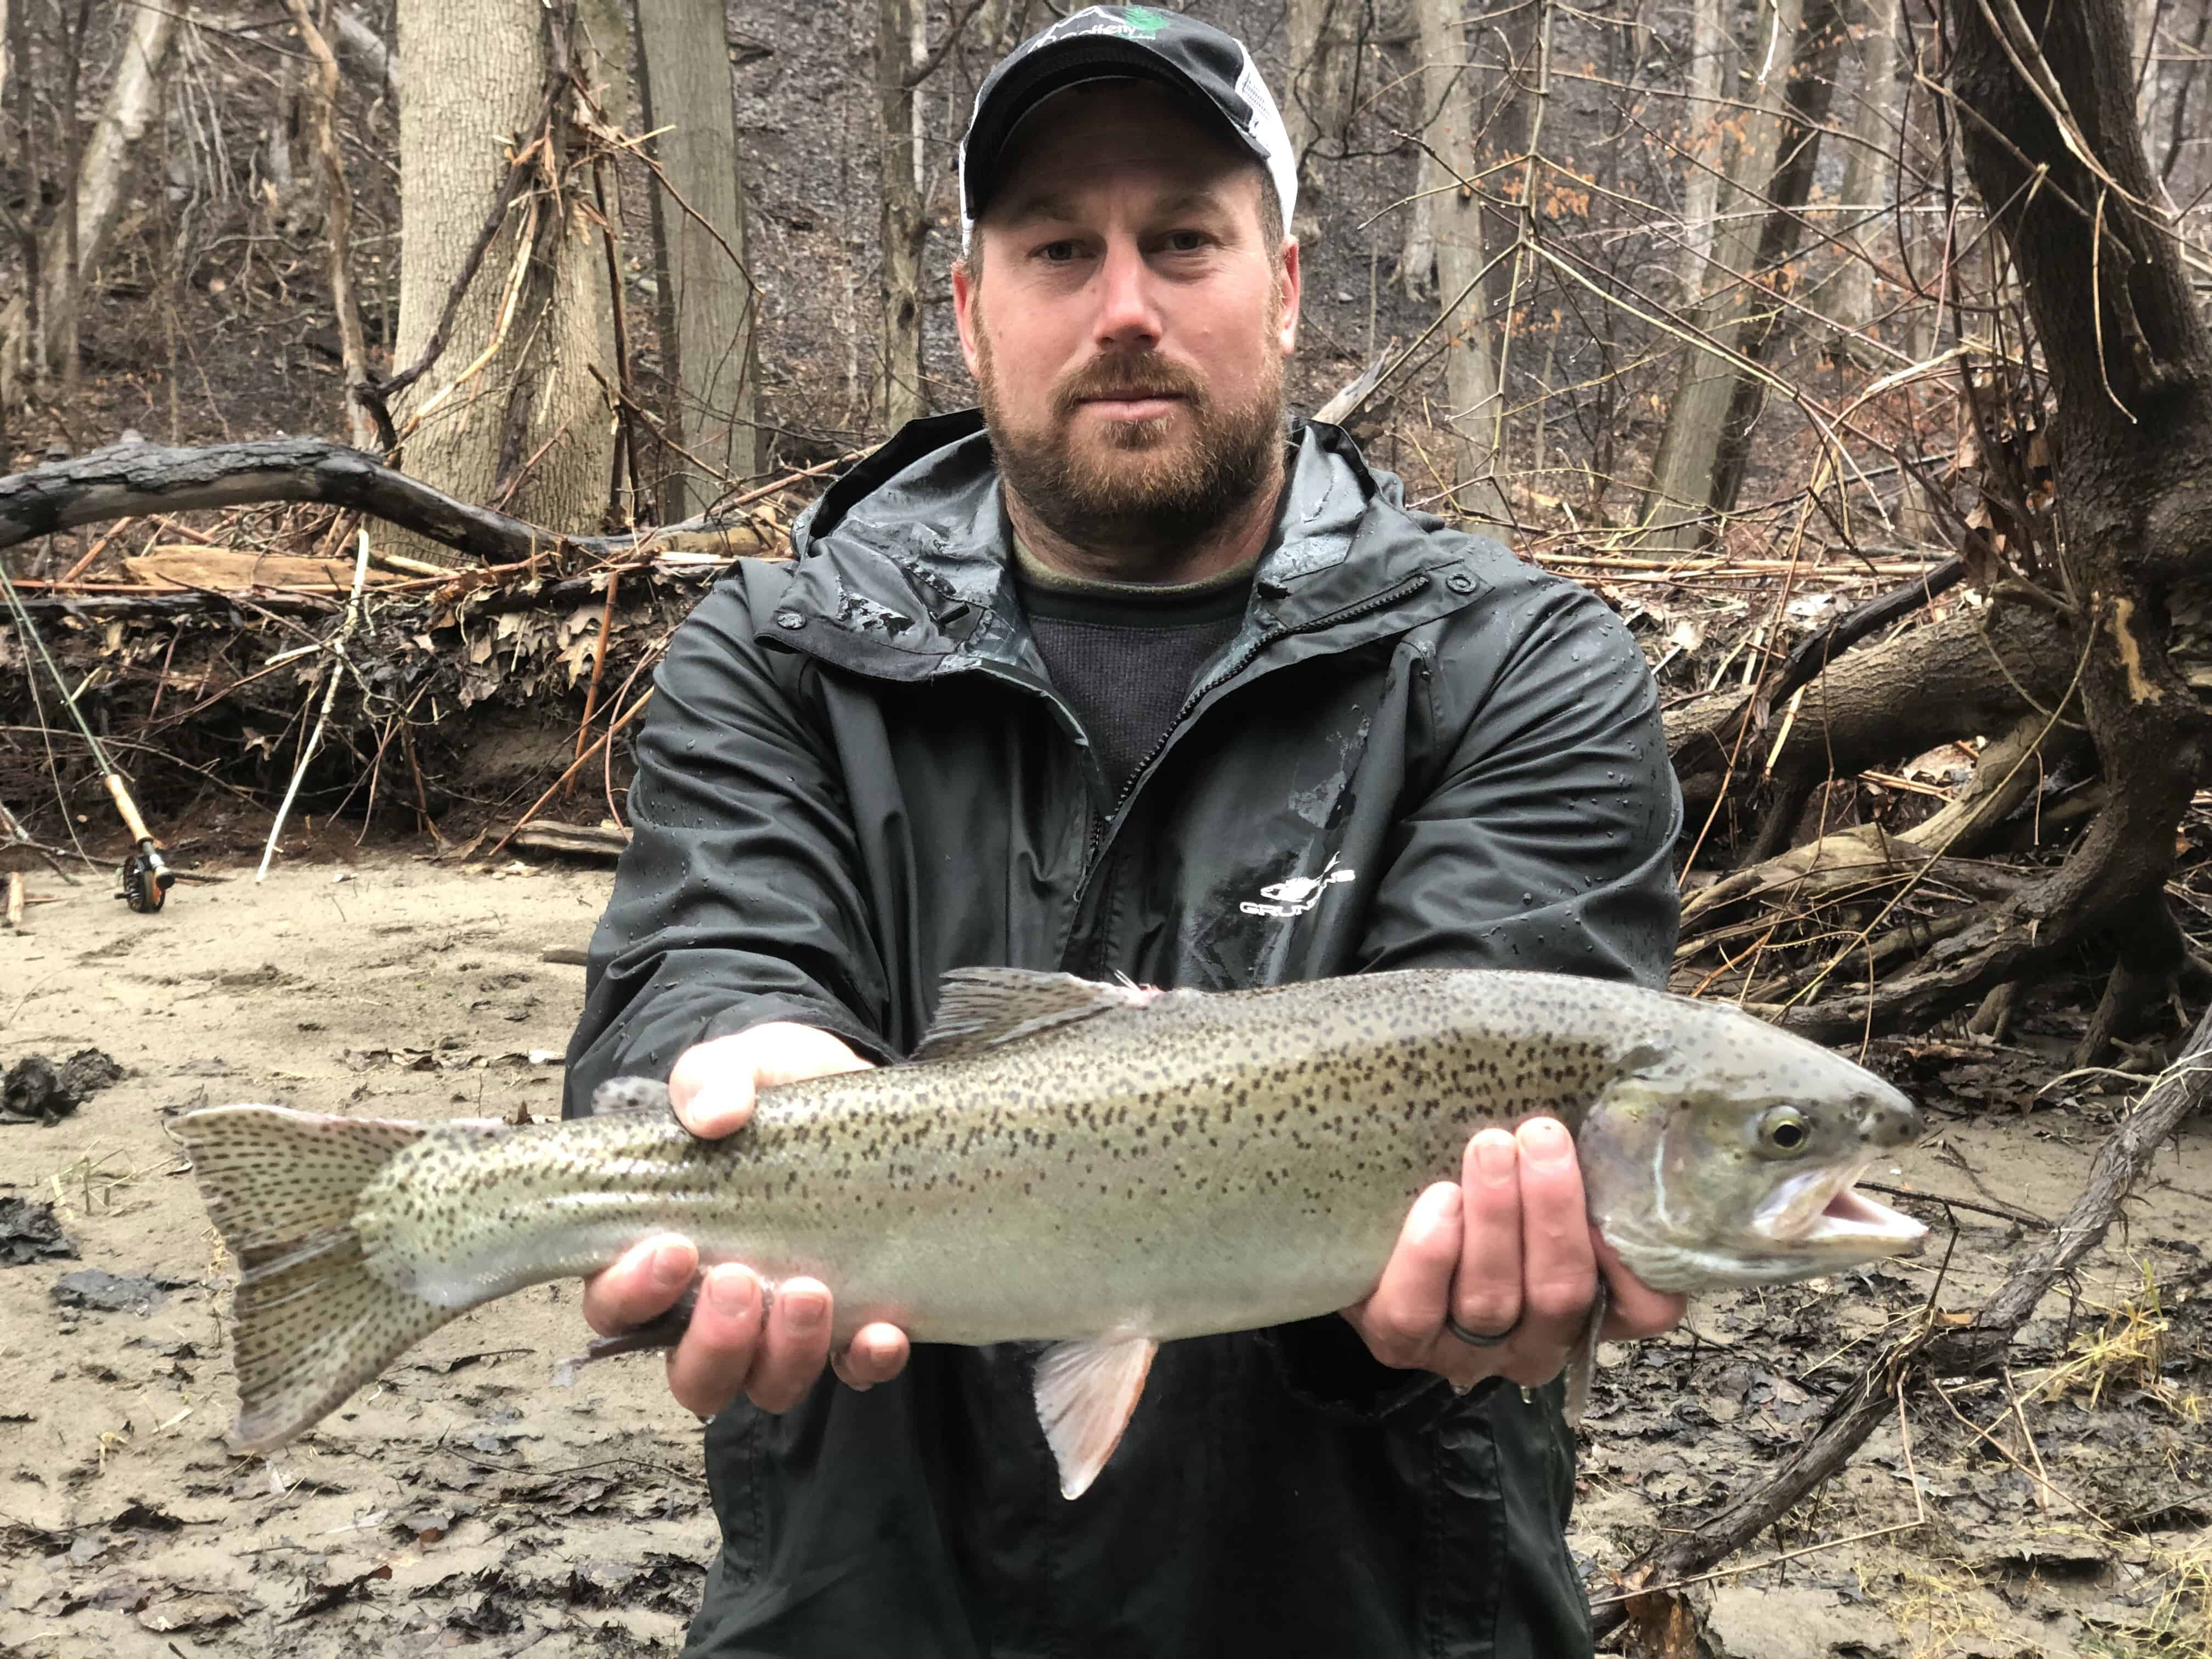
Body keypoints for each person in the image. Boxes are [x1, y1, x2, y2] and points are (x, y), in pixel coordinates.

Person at [563, 8, 1686, 1654]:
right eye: (1055, 249)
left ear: (1288, 284)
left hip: (1376, 1605)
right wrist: (729, 1048)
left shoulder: (1515, 665)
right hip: (874, 1597)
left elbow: (1494, 1038)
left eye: (1182, 242)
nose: (1125, 308)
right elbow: (708, 949)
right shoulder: (777, 649)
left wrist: (1440, 1286)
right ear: (970, 309)